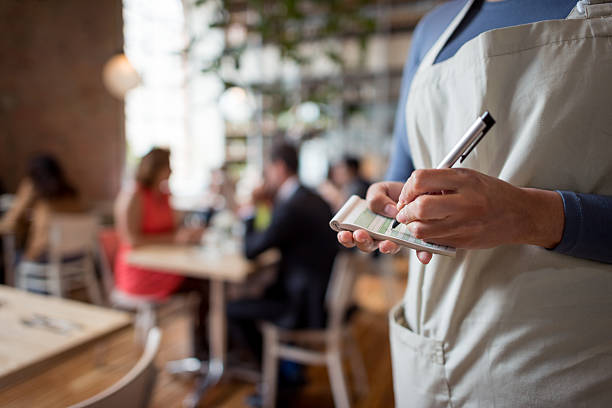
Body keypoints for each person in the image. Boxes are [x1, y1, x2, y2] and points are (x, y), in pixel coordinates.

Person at [338, 0, 612, 406]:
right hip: (429, 355)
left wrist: (534, 216)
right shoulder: (430, 31)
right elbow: (407, 171)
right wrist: (391, 199)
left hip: (565, 367)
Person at [227, 142, 339, 363]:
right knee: (257, 291)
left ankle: (274, 380)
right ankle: (282, 369)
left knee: (233, 308)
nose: (267, 177)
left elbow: (251, 250)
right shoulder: (312, 197)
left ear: (279, 167)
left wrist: (252, 208)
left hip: (302, 306)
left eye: (268, 170)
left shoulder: (292, 206)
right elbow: (273, 235)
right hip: (321, 295)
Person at [114, 147, 208, 357]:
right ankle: (203, 351)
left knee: (206, 283)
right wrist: (174, 239)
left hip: (165, 266)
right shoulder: (134, 195)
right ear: (155, 168)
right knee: (203, 287)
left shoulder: (164, 195)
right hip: (140, 272)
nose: (172, 171)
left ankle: (206, 349)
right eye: (168, 166)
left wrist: (187, 235)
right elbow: (131, 240)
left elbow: (173, 230)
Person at [0, 154, 84, 262]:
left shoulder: (34, 188)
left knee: (14, 257)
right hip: (77, 255)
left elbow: (10, 222)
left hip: (46, 254)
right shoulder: (71, 193)